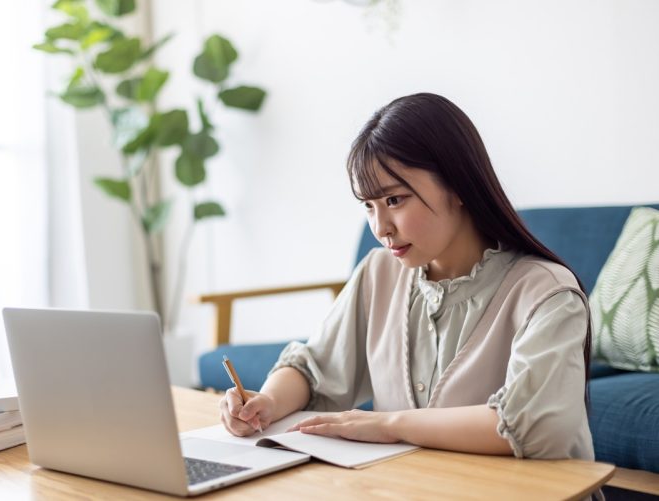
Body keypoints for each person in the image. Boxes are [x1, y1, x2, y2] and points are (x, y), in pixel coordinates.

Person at [219, 92, 594, 460]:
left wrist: (389, 425)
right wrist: (266, 402)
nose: (380, 227)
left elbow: (535, 426)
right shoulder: (378, 273)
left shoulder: (547, 293)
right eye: (369, 205)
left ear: (458, 185)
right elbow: (314, 367)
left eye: (394, 200)